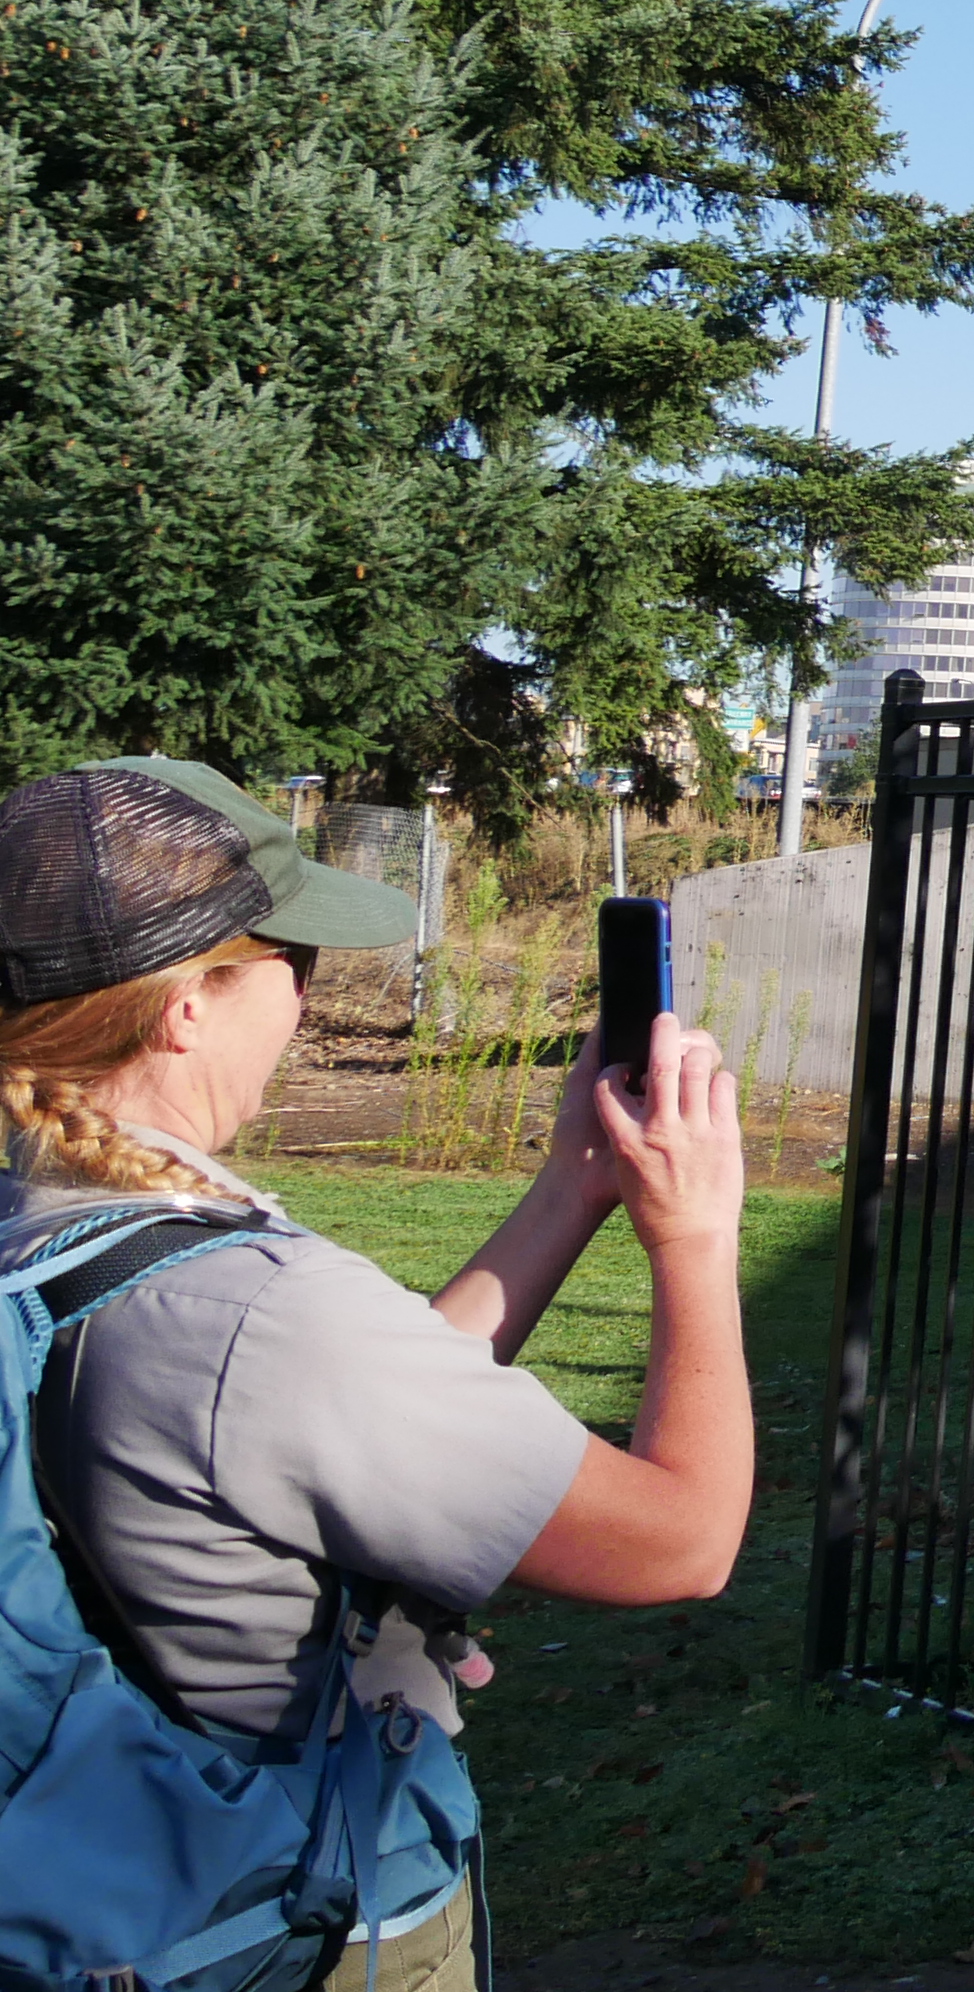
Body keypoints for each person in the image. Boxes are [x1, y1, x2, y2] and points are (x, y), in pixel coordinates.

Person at [0, 757, 750, 1992]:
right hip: (301, 1917)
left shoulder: (49, 1213)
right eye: (292, 963)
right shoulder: (252, 1312)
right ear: (188, 1001)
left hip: (105, 1885)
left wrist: (573, 1186)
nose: (302, 1000)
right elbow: (683, 1540)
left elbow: (347, 1404)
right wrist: (695, 1234)